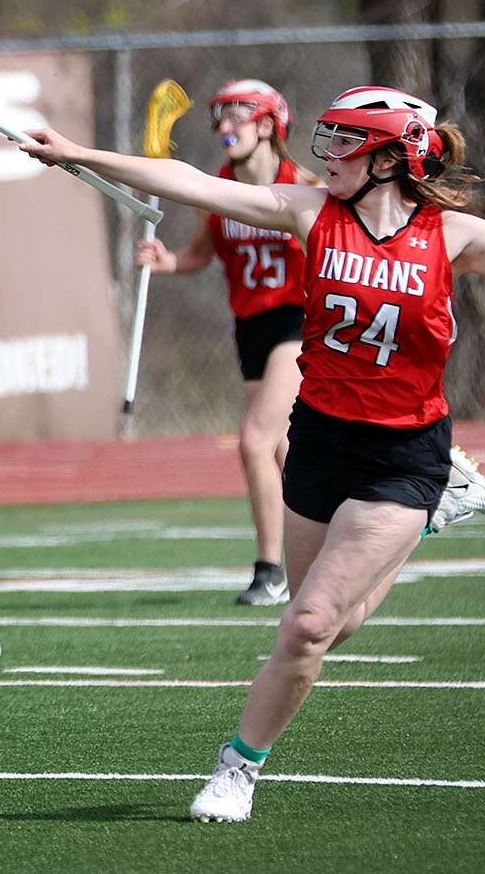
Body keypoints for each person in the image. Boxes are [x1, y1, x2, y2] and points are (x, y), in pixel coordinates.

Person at [21, 84, 485, 822]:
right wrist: (78, 154)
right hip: (321, 438)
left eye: (346, 141)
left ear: (391, 155)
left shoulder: (451, 236)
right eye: (328, 135)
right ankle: (436, 517)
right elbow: (192, 183)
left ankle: (237, 767)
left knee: (304, 625)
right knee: (332, 626)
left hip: (405, 453)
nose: (327, 152)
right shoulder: (309, 211)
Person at [137, 80, 317, 605]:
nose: (224, 128)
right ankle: (315, 553)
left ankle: (270, 571)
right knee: (283, 449)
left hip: (298, 321)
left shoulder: (302, 186)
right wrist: (167, 261)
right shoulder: (219, 188)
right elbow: (200, 253)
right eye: (219, 118)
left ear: (268, 125)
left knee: (255, 441)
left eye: (238, 116)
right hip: (251, 326)